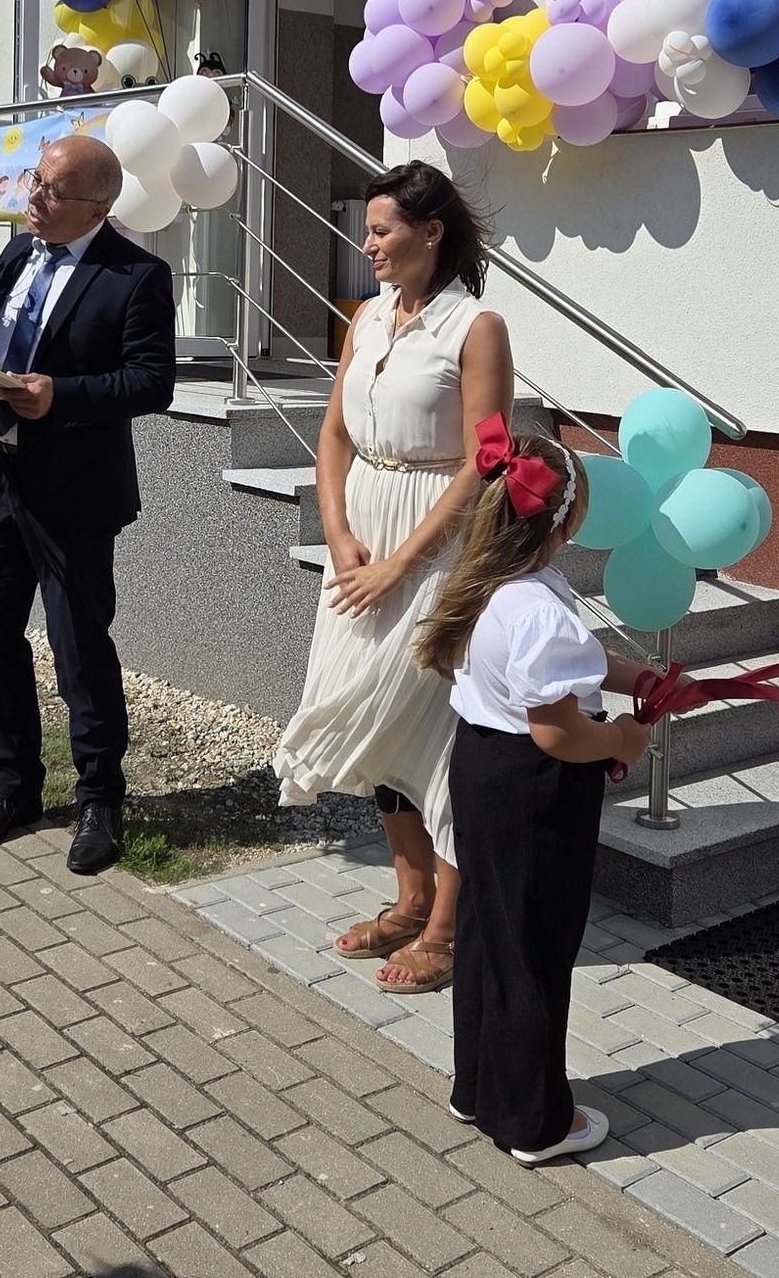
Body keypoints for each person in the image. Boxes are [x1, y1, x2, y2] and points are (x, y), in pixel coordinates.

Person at [272, 161, 511, 994]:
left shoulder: (475, 327)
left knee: (436, 733)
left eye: (381, 230)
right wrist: (338, 535)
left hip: (434, 547)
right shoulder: (366, 318)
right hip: (363, 544)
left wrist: (405, 561)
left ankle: (446, 926)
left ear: (430, 232)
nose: (367, 244)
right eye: (367, 231)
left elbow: (487, 461)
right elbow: (334, 434)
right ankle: (409, 901)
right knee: (374, 723)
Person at [0, 132, 176, 875]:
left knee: (79, 649)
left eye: (53, 191)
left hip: (73, 493)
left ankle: (100, 798)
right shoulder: (15, 257)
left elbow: (151, 382)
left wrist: (62, 395)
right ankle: (13, 786)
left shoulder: (136, 275)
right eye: (35, 180)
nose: (34, 197)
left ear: (97, 207)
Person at [413, 425, 651, 1163]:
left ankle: (478, 1086)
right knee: (536, 945)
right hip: (534, 789)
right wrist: (621, 740)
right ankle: (534, 1122)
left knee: (491, 928)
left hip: (481, 767)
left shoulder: (491, 583)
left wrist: (638, 677)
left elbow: (568, 662)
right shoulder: (542, 609)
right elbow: (557, 732)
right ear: (568, 521)